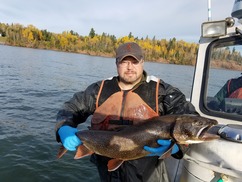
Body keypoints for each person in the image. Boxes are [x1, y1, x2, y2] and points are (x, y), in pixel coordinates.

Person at [55, 42, 197, 182]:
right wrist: (64, 127)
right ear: (117, 63)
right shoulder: (98, 90)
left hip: (148, 173)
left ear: (142, 62)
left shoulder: (162, 92)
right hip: (107, 171)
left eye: (134, 61)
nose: (130, 67)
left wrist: (177, 148)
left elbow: (191, 120)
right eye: (124, 62)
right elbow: (70, 109)